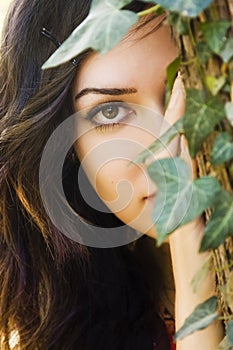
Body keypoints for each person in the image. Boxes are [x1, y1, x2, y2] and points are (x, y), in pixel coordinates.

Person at [0, 0, 223, 349]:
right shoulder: (70, 328)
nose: (164, 149)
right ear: (68, 148)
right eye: (111, 111)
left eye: (185, 90)